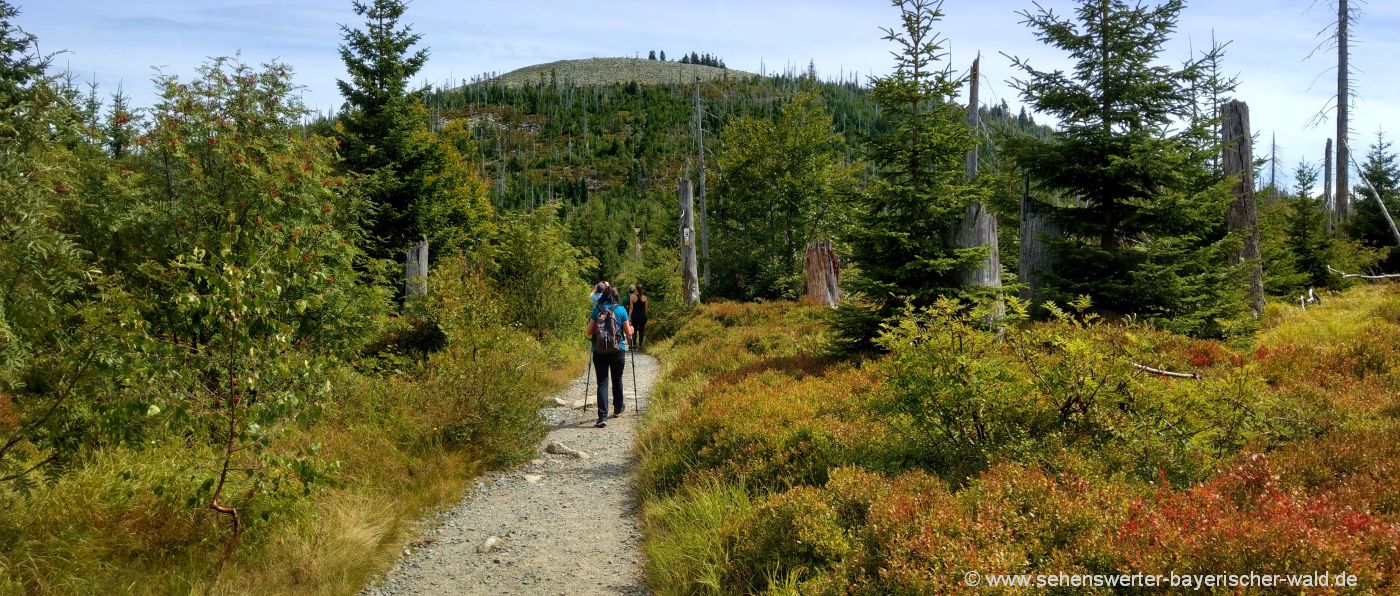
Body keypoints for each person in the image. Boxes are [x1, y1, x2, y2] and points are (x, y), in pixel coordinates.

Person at [587, 285, 632, 428]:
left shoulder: (597, 310)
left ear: (604, 296)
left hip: (599, 351)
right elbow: (628, 332)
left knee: (602, 382)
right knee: (617, 379)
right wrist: (631, 328)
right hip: (617, 350)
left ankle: (602, 417)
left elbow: (587, 333)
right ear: (617, 296)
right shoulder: (620, 309)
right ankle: (618, 408)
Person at [628, 283, 649, 352]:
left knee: (634, 330)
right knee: (641, 331)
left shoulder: (632, 297)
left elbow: (631, 308)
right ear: (642, 289)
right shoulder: (645, 298)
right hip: (642, 316)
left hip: (635, 316)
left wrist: (629, 316)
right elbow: (646, 309)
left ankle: (634, 345)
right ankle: (640, 346)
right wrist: (645, 317)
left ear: (636, 289)